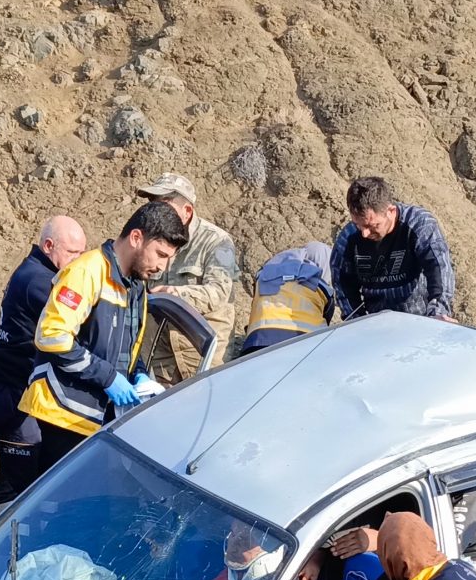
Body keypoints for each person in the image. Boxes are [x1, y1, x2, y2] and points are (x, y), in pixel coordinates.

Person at [17, 202, 184, 481]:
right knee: (60, 508)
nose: (162, 267)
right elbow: (52, 336)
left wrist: (139, 375)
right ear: (136, 238)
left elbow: (129, 347)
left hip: (97, 419)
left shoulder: (135, 286)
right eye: (160, 254)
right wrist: (108, 377)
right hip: (63, 415)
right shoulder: (87, 272)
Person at [0, 215, 88, 498]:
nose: (79, 260)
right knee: (19, 491)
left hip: (18, 393)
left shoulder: (34, 272)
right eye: (73, 253)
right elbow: (82, 321)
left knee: (27, 482)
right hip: (14, 396)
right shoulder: (38, 281)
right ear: (49, 245)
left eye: (82, 253)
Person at [136, 173, 239, 375]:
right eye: (152, 204)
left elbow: (218, 293)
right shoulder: (148, 238)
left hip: (203, 359)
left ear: (187, 211)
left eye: (164, 205)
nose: (156, 212)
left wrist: (174, 295)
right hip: (162, 360)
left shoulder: (216, 242)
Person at [328, 175, 455, 320]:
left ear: (391, 211)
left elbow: (439, 268)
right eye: (358, 225)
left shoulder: (419, 224)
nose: (364, 233)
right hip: (376, 320)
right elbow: (343, 286)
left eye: (372, 226)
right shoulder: (348, 238)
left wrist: (439, 312)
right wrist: (356, 321)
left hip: (421, 317)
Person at [239, 242, 339, 356]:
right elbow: (327, 320)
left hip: (256, 342)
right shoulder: (322, 286)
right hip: (304, 346)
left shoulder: (266, 275)